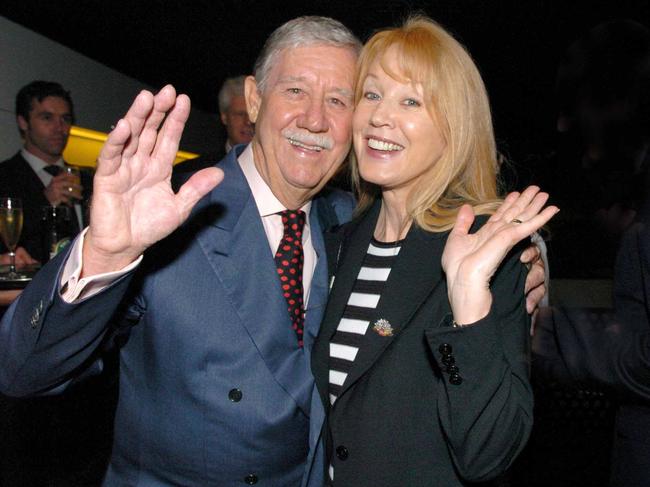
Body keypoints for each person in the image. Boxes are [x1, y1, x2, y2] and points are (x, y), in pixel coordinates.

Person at [0, 17, 546, 487]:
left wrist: (523, 266)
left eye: (340, 99)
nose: (315, 118)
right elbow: (25, 372)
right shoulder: (170, 213)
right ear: (254, 99)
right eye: (295, 92)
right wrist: (103, 256)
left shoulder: (344, 224)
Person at [311, 17, 558, 486]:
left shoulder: (488, 253)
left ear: (454, 128)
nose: (381, 116)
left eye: (410, 101)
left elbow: (489, 454)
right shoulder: (341, 239)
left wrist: (469, 306)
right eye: (372, 94)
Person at [0, 81, 93, 263]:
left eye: (65, 119)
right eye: (47, 118)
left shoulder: (88, 180)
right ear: (23, 122)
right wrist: (45, 202)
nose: (60, 128)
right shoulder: (4, 177)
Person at [173, 75, 254, 176]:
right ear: (224, 117)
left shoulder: (276, 173)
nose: (248, 121)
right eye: (240, 114)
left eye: (254, 114)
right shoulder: (191, 172)